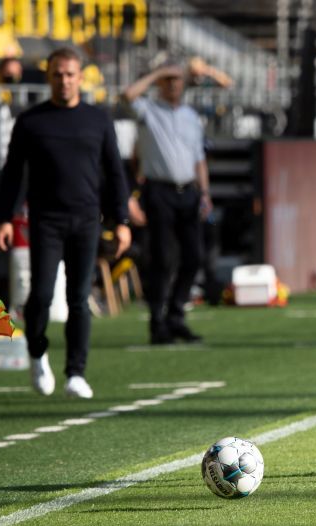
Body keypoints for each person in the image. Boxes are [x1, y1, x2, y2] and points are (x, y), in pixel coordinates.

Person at [0, 47, 131, 398]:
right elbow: (12, 174)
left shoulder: (98, 119)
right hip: (45, 220)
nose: (64, 81)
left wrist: (122, 220)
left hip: (86, 219)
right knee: (39, 296)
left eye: (70, 74)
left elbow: (115, 172)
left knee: (79, 298)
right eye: (57, 74)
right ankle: (37, 354)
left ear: (80, 77)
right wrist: (5, 218)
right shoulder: (31, 121)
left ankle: (76, 373)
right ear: (49, 76)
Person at [122, 61, 212, 345]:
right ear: (160, 83)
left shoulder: (190, 116)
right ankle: (157, 322)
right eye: (167, 80)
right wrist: (156, 73)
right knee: (162, 258)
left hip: (188, 191)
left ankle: (176, 315)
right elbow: (127, 96)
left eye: (177, 79)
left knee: (193, 256)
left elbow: (199, 158)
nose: (173, 84)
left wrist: (205, 192)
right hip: (159, 190)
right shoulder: (149, 110)